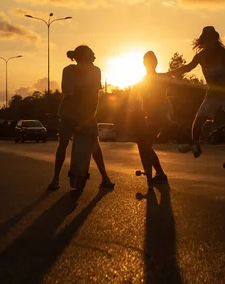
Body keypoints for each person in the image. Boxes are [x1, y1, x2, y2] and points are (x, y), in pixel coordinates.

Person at [172, 26, 225, 167]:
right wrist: (168, 74)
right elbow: (187, 67)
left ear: (215, 39)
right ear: (203, 41)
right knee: (198, 120)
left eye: (211, 39)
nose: (208, 43)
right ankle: (195, 144)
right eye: (205, 40)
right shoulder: (201, 56)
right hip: (213, 94)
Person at [47, 45, 115, 191]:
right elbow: (83, 94)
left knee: (71, 144)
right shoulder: (80, 70)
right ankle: (104, 178)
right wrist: (88, 116)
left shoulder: (78, 70)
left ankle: (56, 179)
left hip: (78, 113)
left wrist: (89, 116)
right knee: (84, 145)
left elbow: (77, 93)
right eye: (90, 56)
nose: (92, 58)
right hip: (76, 113)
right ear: (84, 57)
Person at [130, 51, 197, 186]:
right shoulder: (143, 80)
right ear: (144, 63)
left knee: (145, 142)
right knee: (145, 143)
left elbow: (176, 79)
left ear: (155, 63)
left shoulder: (159, 78)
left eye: (150, 61)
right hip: (153, 113)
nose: (149, 63)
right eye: (147, 61)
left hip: (159, 111)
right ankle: (158, 173)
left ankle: (191, 143)